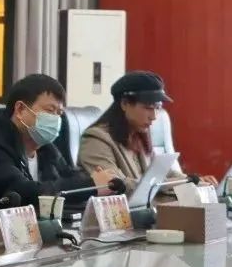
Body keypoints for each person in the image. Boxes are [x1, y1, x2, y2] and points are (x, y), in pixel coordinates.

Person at [0, 74, 115, 205]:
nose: (56, 119)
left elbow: (67, 175)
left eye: (59, 113)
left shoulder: (44, 146)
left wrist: (95, 180)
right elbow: (25, 192)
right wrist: (90, 185)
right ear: (20, 109)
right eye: (50, 110)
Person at [78, 71, 218, 193]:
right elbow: (116, 185)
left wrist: (195, 180)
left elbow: (163, 173)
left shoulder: (138, 134)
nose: (154, 116)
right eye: (148, 108)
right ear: (125, 104)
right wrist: (179, 183)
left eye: (157, 108)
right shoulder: (96, 139)